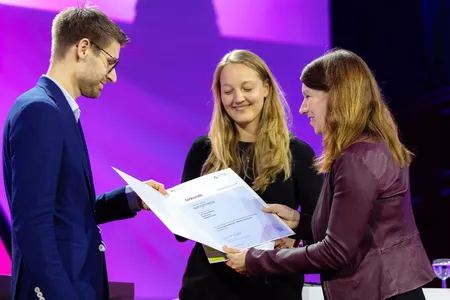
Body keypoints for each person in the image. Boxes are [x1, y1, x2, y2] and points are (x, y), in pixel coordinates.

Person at [223, 49, 436, 300]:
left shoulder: (356, 159)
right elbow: (359, 233)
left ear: (336, 96)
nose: (303, 108)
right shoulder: (374, 146)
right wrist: (299, 222)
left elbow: (336, 251)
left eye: (308, 96)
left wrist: (256, 260)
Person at [2, 6, 166, 300]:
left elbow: (67, 213)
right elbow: (33, 226)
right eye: (110, 62)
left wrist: (131, 198)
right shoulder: (41, 111)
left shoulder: (57, 110)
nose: (113, 76)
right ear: (83, 48)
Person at [176, 49, 323, 300]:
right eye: (228, 91)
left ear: (266, 88)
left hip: (272, 288)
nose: (238, 98)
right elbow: (181, 233)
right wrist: (168, 205)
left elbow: (323, 227)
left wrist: (296, 232)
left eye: (247, 88)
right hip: (208, 289)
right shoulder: (203, 151)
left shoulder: (296, 153)